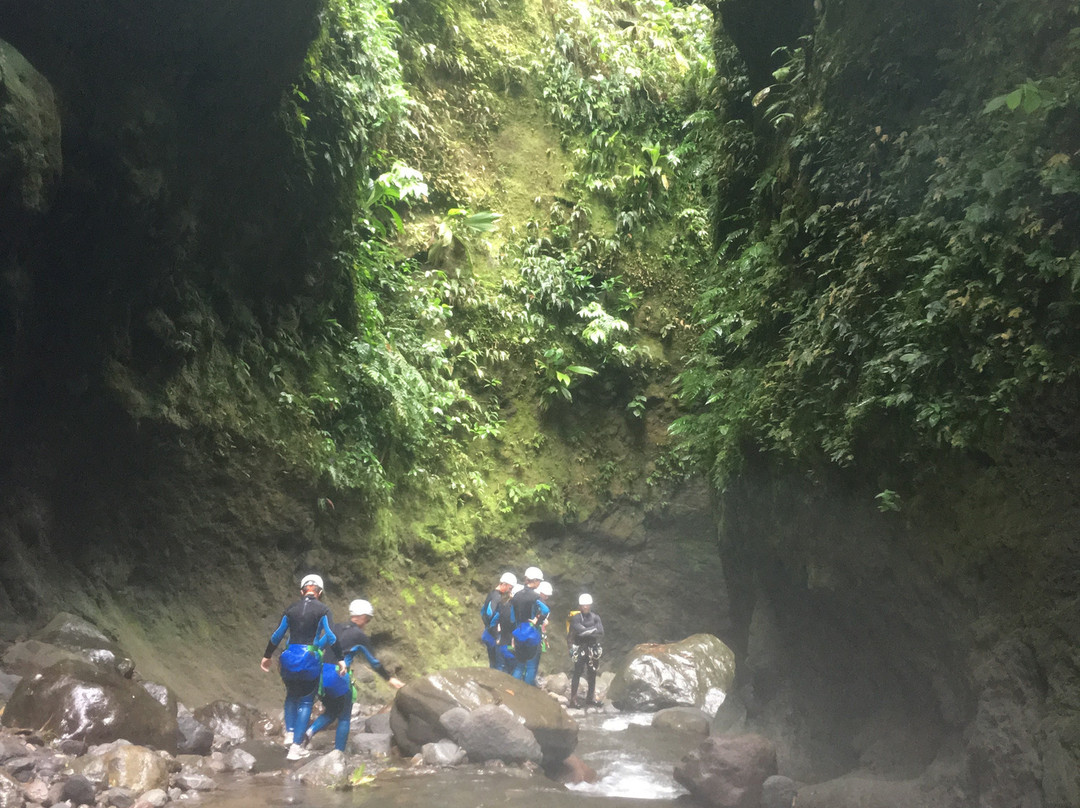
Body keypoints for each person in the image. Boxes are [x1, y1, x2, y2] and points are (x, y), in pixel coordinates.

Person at [305, 599, 404, 752]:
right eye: (368, 619)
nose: (367, 623)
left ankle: (308, 733)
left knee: (332, 710)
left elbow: (317, 647)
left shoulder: (335, 628)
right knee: (344, 716)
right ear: (362, 617)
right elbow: (374, 662)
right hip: (339, 675)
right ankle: (338, 752)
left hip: (322, 675)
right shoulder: (360, 637)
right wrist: (389, 678)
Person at [260, 574, 338, 760]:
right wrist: (335, 655)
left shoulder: (290, 609)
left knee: (290, 695)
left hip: (288, 658)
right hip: (309, 660)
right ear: (319, 592)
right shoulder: (323, 610)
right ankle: (296, 747)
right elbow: (331, 635)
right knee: (305, 702)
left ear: (302, 591)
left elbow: (277, 635)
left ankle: (289, 734)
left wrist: (267, 656)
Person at [510, 567, 550, 685]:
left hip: (519, 632)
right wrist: (537, 621)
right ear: (535, 580)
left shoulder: (516, 595)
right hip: (532, 633)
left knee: (519, 665)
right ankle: (526, 691)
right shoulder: (536, 597)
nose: (539, 583)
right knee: (531, 666)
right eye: (539, 581)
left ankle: (513, 689)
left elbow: (512, 617)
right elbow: (545, 610)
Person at [567, 593, 604, 708]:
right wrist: (593, 629)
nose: (586, 607)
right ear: (580, 606)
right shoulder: (576, 618)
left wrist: (587, 631)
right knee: (577, 672)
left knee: (592, 673)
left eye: (587, 605)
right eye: (583, 605)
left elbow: (601, 631)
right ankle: (573, 699)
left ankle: (590, 698)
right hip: (579, 647)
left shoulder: (595, 617)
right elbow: (581, 632)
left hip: (592, 647)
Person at [481, 572, 517, 668]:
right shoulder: (496, 597)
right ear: (504, 584)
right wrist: (496, 634)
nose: (510, 591)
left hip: (487, 632)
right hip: (491, 635)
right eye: (510, 588)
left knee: (493, 663)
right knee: (496, 664)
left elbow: (483, 612)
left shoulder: (492, 594)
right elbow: (490, 614)